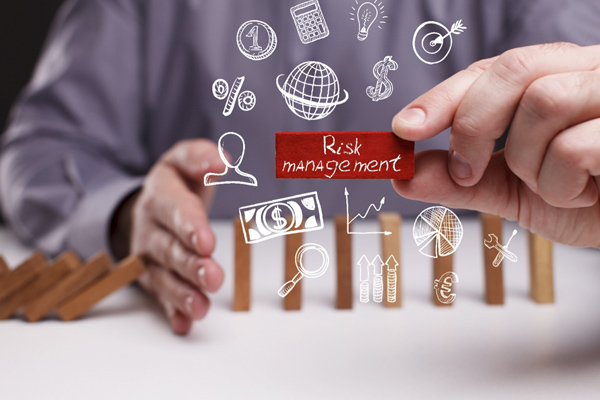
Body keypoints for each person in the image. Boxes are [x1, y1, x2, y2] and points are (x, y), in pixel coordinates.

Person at [1, 0, 599, 334]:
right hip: (209, 330)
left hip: (480, 333)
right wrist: (129, 214)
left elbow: (580, 97)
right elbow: (43, 147)